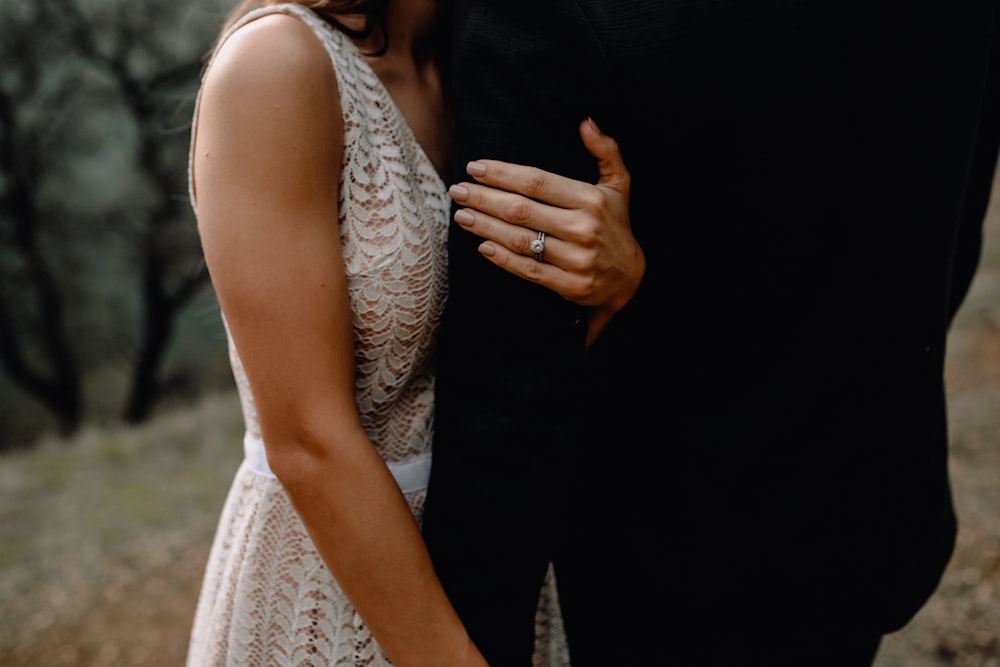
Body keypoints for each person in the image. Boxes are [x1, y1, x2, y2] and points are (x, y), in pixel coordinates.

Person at [421, 1, 1000, 665]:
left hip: (639, 565)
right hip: (867, 512)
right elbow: (947, 223)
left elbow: (511, 382)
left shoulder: (540, 16)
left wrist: (473, 633)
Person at [183, 0, 638, 664]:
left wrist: (615, 278)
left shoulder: (492, 56)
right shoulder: (276, 66)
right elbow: (308, 439)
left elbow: (520, 360)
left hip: (506, 560)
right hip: (336, 587)